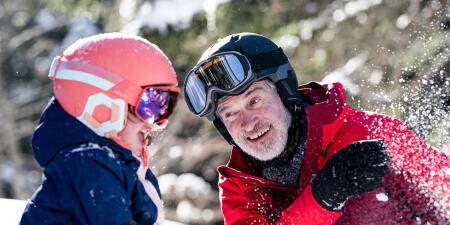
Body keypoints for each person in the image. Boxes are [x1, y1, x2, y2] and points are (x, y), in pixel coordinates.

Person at [183, 32, 449, 224]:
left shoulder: (368, 133)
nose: (247, 123)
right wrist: (322, 198)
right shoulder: (241, 191)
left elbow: (444, 189)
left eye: (254, 100)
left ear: (285, 93)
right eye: (230, 114)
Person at [20, 33, 179, 224]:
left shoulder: (117, 163)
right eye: (148, 105)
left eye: (161, 105)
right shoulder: (88, 163)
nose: (151, 122)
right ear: (101, 106)